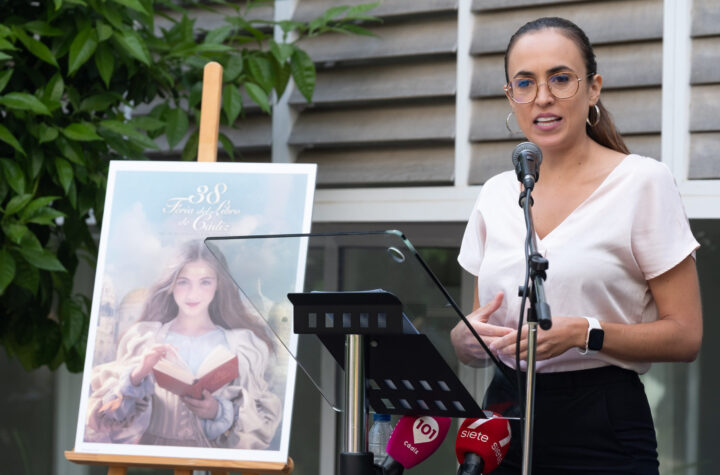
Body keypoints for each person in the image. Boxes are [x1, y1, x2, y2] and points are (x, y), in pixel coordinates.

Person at [450, 17, 702, 474]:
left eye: (560, 78)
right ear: (511, 96)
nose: (542, 97)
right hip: (502, 413)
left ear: (593, 88)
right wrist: (465, 341)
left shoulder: (642, 181)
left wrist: (584, 333)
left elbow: (686, 335)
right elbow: (484, 322)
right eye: (525, 82)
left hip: (602, 421)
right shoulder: (495, 193)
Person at [85, 240, 282, 449]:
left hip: (214, 463)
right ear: (170, 285)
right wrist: (137, 374)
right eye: (183, 282)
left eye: (205, 282)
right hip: (153, 463)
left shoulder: (242, 345)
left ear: (218, 285)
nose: (192, 294)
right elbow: (102, 417)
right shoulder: (143, 339)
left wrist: (218, 411)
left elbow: (262, 424)